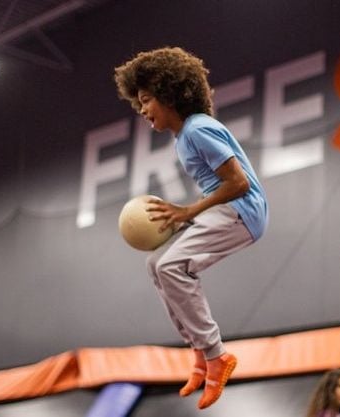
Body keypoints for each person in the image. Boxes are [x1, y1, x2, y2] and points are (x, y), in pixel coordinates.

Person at [113, 46, 268, 409]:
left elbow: (239, 183)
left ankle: (216, 354)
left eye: (146, 100)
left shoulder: (198, 129)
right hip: (226, 208)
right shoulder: (184, 136)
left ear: (169, 94)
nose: (142, 110)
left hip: (243, 210)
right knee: (156, 264)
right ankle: (199, 352)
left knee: (171, 265)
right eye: (138, 104)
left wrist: (188, 211)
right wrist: (191, 212)